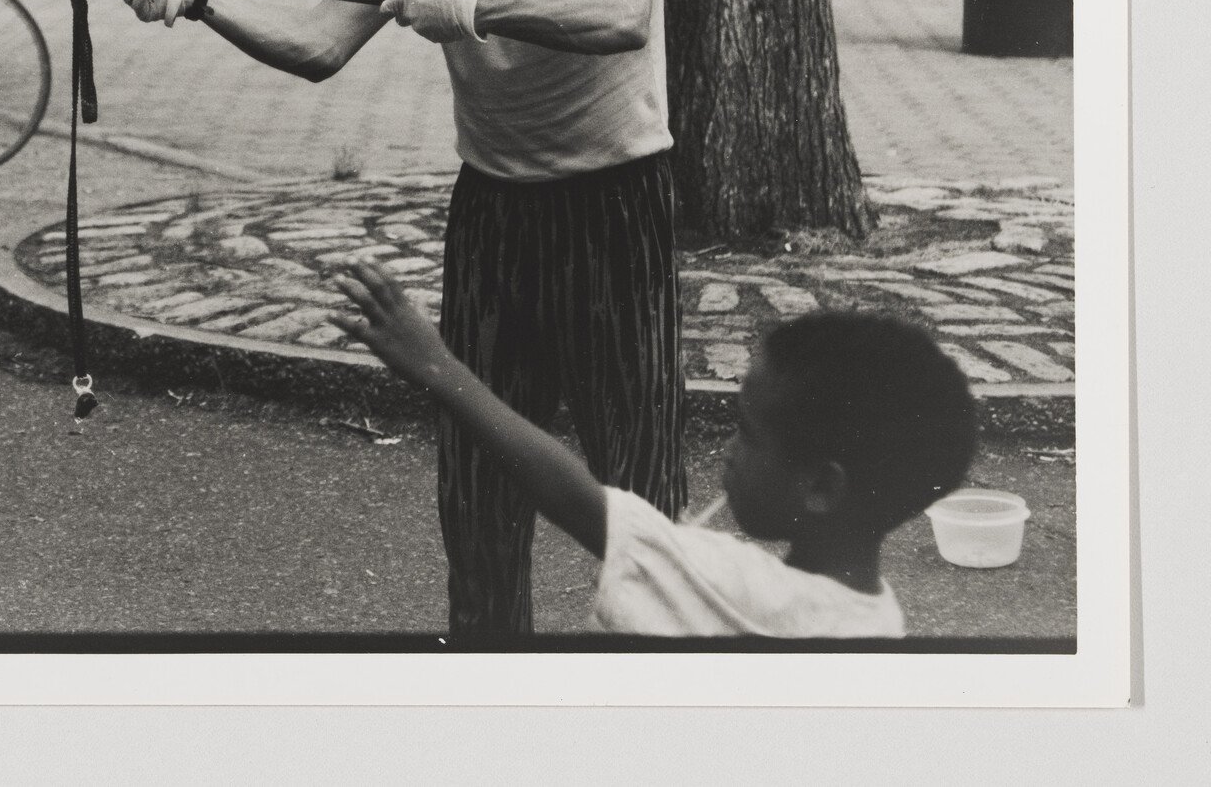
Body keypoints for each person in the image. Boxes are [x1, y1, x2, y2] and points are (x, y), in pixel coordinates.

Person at [99, 0, 680, 641]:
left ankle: (664, 701)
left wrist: (477, 4)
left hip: (609, 205)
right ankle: (486, 690)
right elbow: (322, 44)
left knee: (635, 482)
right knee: (476, 488)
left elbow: (619, 9)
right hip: (492, 210)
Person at [334, 263, 977, 636]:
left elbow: (570, 494)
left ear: (821, 487)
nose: (726, 454)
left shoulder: (744, 590)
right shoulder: (877, 621)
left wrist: (434, 363)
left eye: (745, 432)